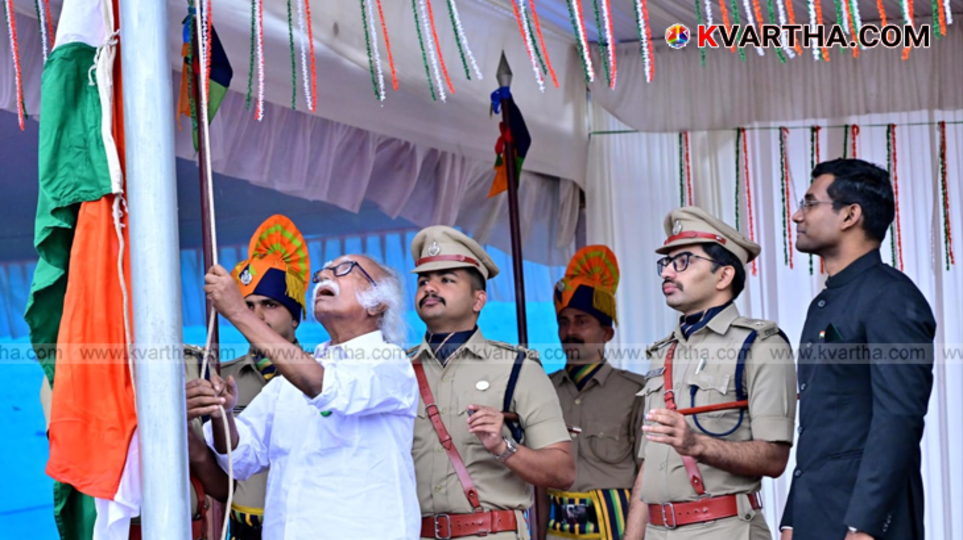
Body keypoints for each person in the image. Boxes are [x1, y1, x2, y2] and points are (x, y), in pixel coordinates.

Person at [188, 215, 420, 540]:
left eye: (344, 268)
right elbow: (239, 461)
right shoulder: (288, 384)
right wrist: (222, 413)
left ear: (378, 303)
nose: (325, 274)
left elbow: (323, 386)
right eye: (323, 271)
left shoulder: (390, 363)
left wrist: (237, 311)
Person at [780, 159, 936, 540]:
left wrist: (865, 526)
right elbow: (820, 429)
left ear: (850, 215)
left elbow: (897, 420)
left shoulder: (892, 297)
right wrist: (791, 519)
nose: (797, 215)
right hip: (816, 515)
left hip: (865, 521)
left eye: (810, 203)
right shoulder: (828, 301)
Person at [624, 206, 797, 540]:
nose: (667, 273)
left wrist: (696, 444)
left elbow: (775, 458)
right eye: (666, 263)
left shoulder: (760, 345)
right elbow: (649, 464)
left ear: (724, 276)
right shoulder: (664, 352)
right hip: (657, 530)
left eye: (683, 261)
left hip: (723, 529)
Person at [407, 225, 576, 540]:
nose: (430, 288)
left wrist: (504, 446)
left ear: (478, 299)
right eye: (423, 280)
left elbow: (563, 472)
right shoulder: (398, 371)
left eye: (446, 279)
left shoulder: (517, 368)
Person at [198, 215, 310, 540]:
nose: (256, 316)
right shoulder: (222, 378)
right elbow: (217, 476)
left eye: (270, 305)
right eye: (246, 306)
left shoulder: (324, 379)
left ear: (296, 317)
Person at [537, 245, 646, 540]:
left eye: (582, 322)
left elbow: (648, 477)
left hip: (615, 529)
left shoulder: (637, 392)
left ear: (607, 333)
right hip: (556, 529)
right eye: (564, 321)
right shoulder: (540, 390)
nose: (570, 331)